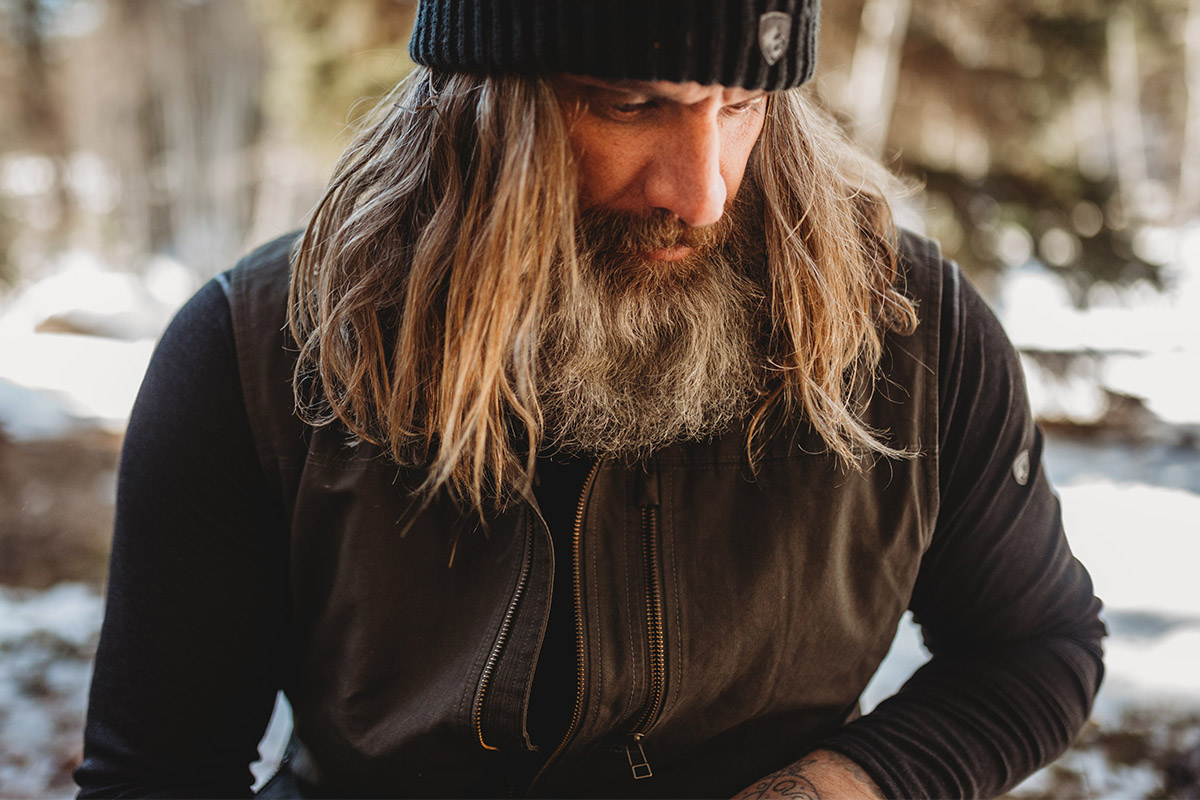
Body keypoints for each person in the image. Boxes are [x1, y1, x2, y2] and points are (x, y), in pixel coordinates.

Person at [75, 0, 1106, 797]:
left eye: (739, 107)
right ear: (485, 102)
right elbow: (161, 768)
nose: (701, 189)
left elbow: (1036, 645)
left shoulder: (912, 329)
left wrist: (838, 783)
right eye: (632, 104)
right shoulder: (257, 350)